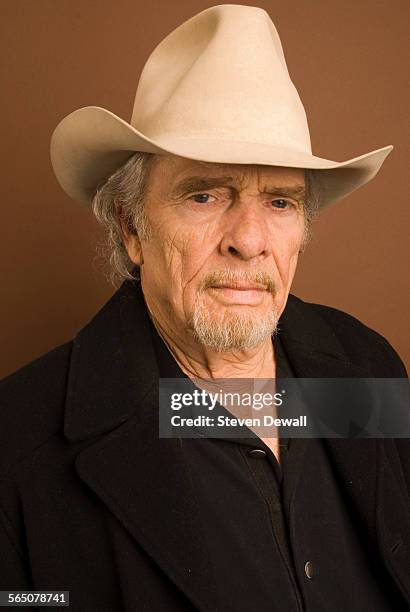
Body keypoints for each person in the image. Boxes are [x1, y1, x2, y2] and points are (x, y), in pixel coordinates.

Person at [1, 5, 409, 611]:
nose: (249, 239)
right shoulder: (18, 444)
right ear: (131, 226)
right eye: (204, 194)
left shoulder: (364, 363)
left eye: (280, 202)